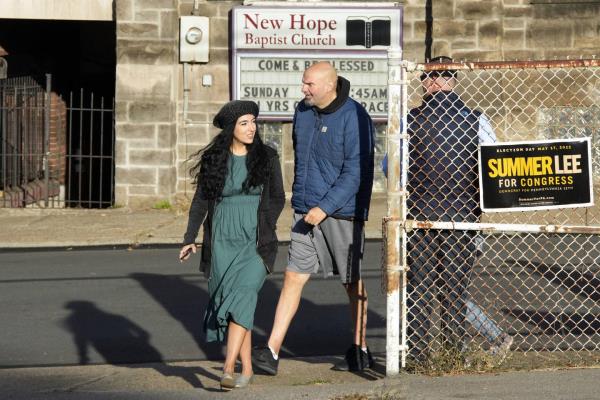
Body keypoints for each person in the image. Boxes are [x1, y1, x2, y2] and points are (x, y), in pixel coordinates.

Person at [382, 56, 512, 361]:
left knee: (420, 287)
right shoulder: (476, 119)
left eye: (431, 78)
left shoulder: (410, 120)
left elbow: (392, 167)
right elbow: (492, 166)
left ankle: (417, 356)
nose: (433, 82)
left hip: (420, 213)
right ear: (454, 80)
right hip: (463, 215)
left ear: (426, 83)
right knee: (454, 288)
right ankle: (456, 353)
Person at [251, 62, 375, 374]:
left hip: (342, 214)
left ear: (330, 85)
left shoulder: (354, 116)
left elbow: (355, 172)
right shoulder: (303, 112)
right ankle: (271, 352)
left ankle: (360, 349)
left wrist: (327, 206)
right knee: (293, 276)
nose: (304, 89)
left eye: (310, 84)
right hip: (305, 211)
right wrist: (304, 203)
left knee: (351, 282)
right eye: (303, 83)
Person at [180, 100, 285, 390]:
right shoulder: (215, 159)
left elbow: (277, 197)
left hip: (255, 241)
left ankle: (228, 367)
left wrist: (266, 223)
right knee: (239, 304)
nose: (252, 128)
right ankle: (247, 368)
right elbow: (201, 201)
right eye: (245, 123)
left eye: (254, 122)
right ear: (231, 128)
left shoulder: (267, 156)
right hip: (222, 240)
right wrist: (190, 238)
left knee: (243, 294)